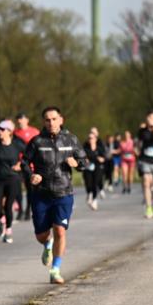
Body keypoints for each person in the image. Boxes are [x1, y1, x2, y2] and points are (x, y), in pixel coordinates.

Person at [25, 106, 88, 285]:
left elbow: (85, 162)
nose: (51, 123)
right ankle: (47, 244)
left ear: (61, 120)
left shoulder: (71, 139)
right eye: (47, 120)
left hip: (63, 192)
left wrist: (77, 163)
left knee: (60, 230)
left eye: (54, 119)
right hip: (41, 194)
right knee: (41, 235)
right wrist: (31, 175)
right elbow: (24, 162)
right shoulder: (37, 141)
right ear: (44, 122)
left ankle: (56, 269)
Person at [0, 120, 26, 244]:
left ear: (9, 132)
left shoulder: (17, 145)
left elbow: (29, 155)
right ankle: (2, 220)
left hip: (13, 179)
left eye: (2, 129)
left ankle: (8, 231)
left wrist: (20, 164)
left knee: (8, 206)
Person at [13, 113, 40, 220]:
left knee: (30, 189)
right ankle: (20, 210)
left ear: (27, 120)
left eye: (22, 119)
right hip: (17, 165)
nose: (20, 121)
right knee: (17, 189)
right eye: (18, 119)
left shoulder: (34, 132)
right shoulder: (15, 133)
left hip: (29, 165)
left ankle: (28, 210)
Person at [82, 127, 108, 211]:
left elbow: (104, 157)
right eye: (89, 138)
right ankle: (89, 194)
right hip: (88, 167)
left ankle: (94, 200)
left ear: (95, 139)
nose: (90, 139)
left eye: (92, 138)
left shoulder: (99, 147)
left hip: (97, 167)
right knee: (88, 183)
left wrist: (101, 159)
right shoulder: (85, 147)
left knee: (95, 183)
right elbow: (82, 156)